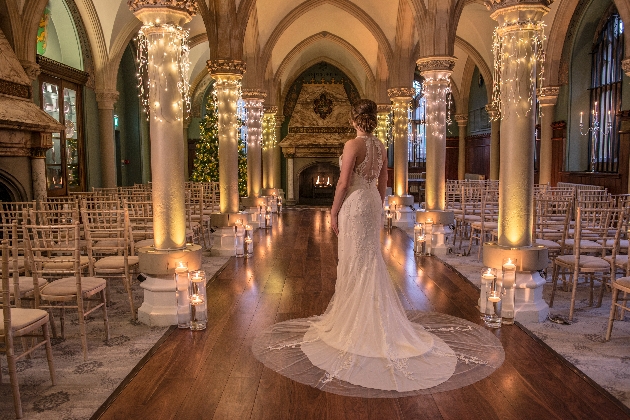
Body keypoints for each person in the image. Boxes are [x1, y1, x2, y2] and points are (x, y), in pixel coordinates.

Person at [252, 99, 503, 398]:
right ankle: (373, 316)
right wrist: (377, 203)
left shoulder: (351, 146)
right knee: (370, 258)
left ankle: (354, 322)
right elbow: (383, 181)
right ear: (372, 119)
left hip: (355, 204)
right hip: (371, 202)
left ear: (353, 119)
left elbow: (343, 183)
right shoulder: (381, 146)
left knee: (354, 260)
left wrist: (333, 212)